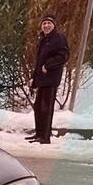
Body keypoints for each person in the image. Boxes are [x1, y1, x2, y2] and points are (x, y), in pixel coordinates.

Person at [27, 15, 69, 144]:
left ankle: (45, 137)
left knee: (46, 108)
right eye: (44, 23)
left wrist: (48, 65)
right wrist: (34, 77)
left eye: (49, 23)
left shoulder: (59, 38)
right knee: (38, 107)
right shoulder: (43, 39)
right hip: (41, 79)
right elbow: (39, 61)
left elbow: (64, 56)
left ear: (54, 25)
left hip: (51, 78)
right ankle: (39, 133)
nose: (46, 25)